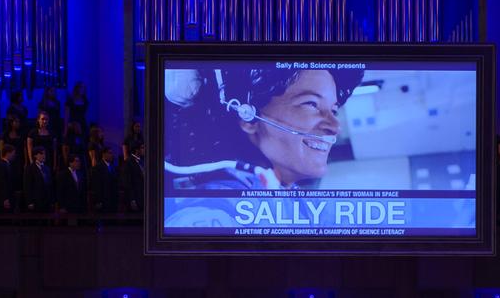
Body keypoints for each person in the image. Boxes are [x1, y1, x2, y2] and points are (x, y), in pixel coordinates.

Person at [161, 66, 364, 193]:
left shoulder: (283, 193)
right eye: (311, 104)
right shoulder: (218, 209)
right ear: (248, 117)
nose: (335, 127)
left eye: (333, 110)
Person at [89, 145, 119, 214]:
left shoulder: (113, 167)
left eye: (112, 153)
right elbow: (96, 185)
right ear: (104, 154)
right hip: (103, 201)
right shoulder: (98, 168)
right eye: (109, 153)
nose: (111, 155)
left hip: (112, 201)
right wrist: (98, 200)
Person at [24, 146, 54, 213]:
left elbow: (50, 185)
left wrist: (52, 201)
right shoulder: (30, 168)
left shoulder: (47, 168)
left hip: (47, 202)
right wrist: (30, 202)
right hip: (36, 201)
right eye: (41, 154)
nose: (44, 156)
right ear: (35, 155)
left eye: (44, 154)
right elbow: (27, 186)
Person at [0, 144, 18, 213]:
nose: (14, 155)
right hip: (4, 200)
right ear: (8, 153)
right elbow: (1, 184)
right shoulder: (1, 166)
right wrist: (5, 199)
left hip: (9, 198)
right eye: (13, 153)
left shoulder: (8, 165)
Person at [120, 142, 145, 213]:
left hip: (142, 198)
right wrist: (132, 199)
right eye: (142, 148)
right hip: (135, 199)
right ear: (137, 150)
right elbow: (127, 183)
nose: (144, 150)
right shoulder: (128, 162)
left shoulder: (142, 161)